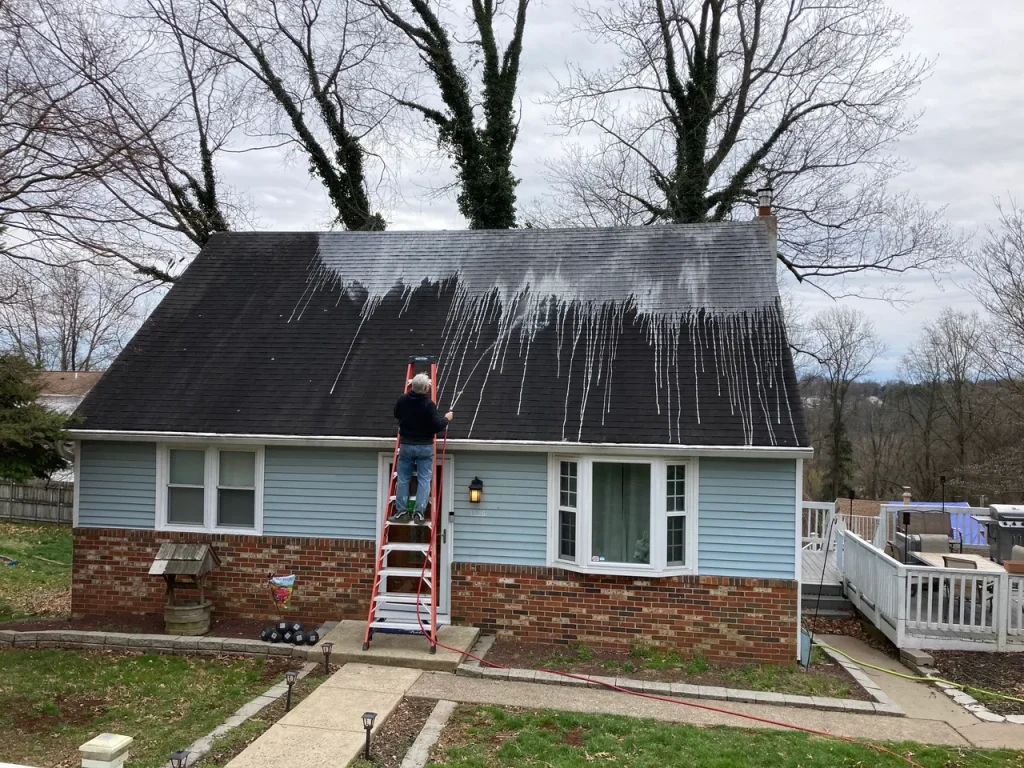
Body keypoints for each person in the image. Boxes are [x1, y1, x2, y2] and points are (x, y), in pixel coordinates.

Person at [393, 373, 454, 523]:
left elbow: (396, 414)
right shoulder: (428, 404)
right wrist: (447, 418)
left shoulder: (402, 400)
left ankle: (402, 512)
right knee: (424, 479)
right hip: (424, 447)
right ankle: (418, 513)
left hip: (406, 444)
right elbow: (436, 426)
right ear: (426, 388)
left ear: (411, 386)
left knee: (403, 479)